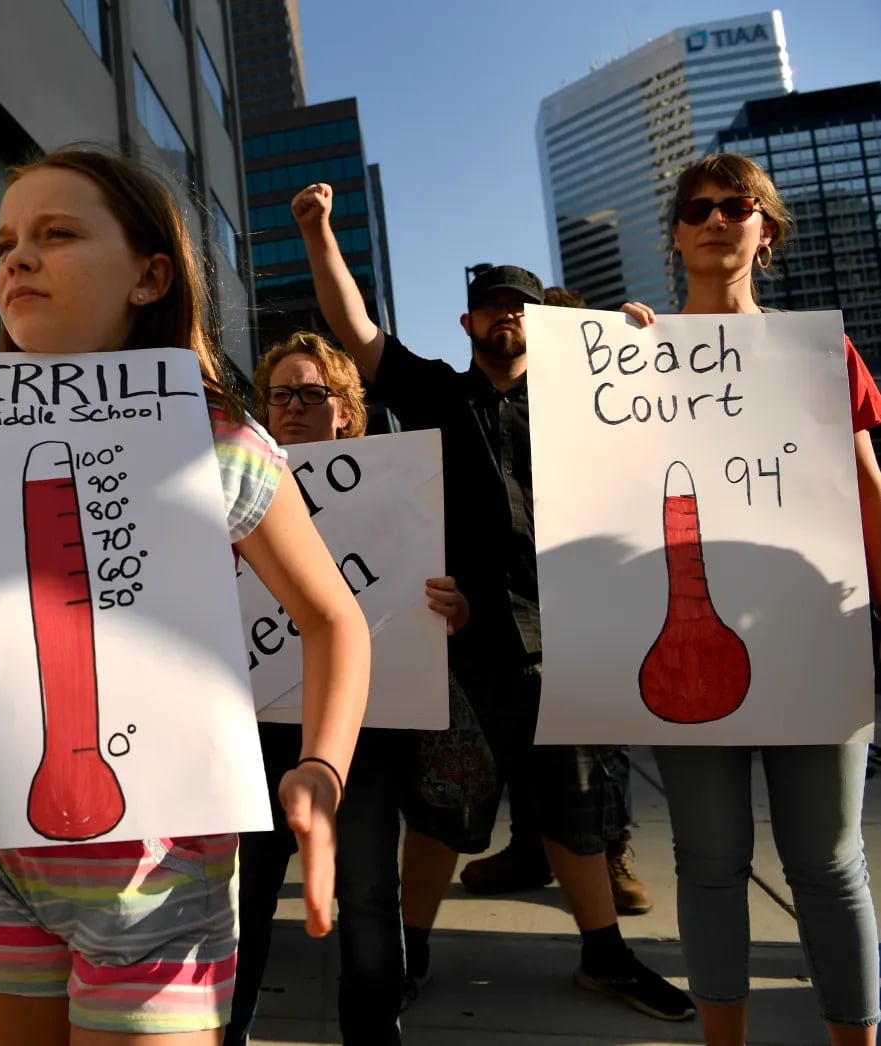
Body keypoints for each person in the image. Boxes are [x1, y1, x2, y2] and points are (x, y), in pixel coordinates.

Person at [0, 146, 371, 1044]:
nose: (15, 258)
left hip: (161, 870)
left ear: (149, 276)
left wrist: (320, 772)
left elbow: (333, 617)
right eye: (7, 240)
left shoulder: (217, 441)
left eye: (56, 235)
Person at [291, 179, 693, 1022]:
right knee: (441, 813)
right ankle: (411, 952)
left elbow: (673, 427)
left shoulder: (589, 397)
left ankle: (605, 956)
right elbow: (356, 331)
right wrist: (319, 232)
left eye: (521, 306)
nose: (506, 317)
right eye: (492, 307)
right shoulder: (436, 393)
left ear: (541, 322)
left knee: (576, 811)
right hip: (460, 651)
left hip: (566, 645)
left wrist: (641, 342)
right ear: (468, 323)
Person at [622, 152, 881, 1045]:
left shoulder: (818, 352)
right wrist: (609, 368)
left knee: (829, 860)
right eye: (695, 207)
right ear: (676, 233)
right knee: (707, 861)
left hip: (813, 636)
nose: (713, 218)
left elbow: (862, 486)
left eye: (735, 205)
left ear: (765, 230)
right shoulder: (636, 356)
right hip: (684, 645)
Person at [228, 331, 421, 1044]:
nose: (293, 407)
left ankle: (373, 1037)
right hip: (251, 729)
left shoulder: (399, 493)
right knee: (241, 901)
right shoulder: (231, 487)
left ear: (347, 410)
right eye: (280, 394)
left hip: (359, 735)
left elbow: (413, 601)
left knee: (368, 896)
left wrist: (447, 610)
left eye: (313, 394)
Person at [460, 283, 652, 919]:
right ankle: (531, 846)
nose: (515, 319)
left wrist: (631, 338)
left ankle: (613, 849)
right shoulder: (485, 399)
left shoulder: (576, 392)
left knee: (600, 732)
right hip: (515, 594)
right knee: (528, 733)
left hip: (588, 581)